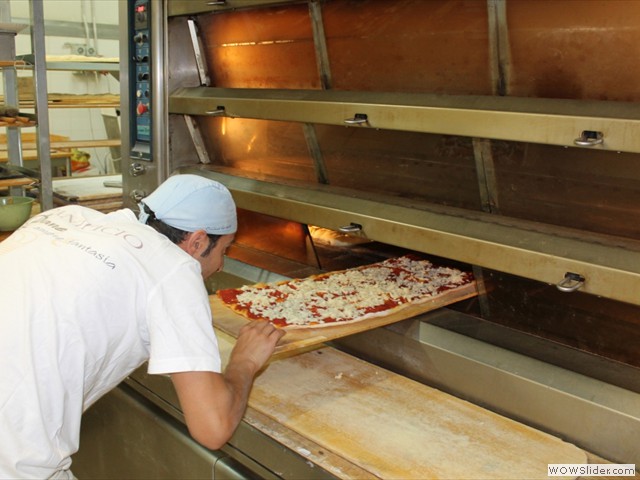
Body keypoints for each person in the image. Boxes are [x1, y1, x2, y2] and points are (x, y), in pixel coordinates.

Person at [0, 174, 285, 479]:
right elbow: (212, 428)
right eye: (223, 251)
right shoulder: (174, 268)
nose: (220, 266)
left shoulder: (61, 217)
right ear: (198, 241)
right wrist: (245, 360)